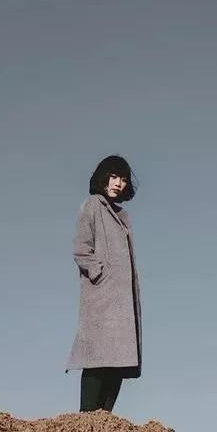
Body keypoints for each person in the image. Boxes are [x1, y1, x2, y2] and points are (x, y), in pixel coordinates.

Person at [67, 155, 142, 412]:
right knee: (97, 355)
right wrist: (99, 273)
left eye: (123, 179)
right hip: (102, 296)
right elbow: (81, 248)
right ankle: (86, 418)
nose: (118, 183)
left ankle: (104, 421)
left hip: (123, 300)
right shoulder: (92, 205)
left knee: (118, 359)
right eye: (113, 176)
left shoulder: (122, 216)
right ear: (103, 177)